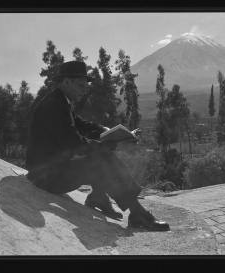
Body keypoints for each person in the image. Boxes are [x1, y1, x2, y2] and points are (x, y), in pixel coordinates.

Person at [25, 61, 169, 231]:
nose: (84, 89)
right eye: (80, 84)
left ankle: (98, 197)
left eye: (85, 85)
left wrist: (106, 131)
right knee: (101, 158)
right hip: (45, 177)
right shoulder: (54, 106)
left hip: (51, 169)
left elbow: (82, 125)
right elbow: (72, 143)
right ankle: (137, 213)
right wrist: (102, 146)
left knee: (100, 152)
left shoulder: (60, 101)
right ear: (66, 82)